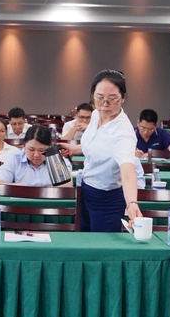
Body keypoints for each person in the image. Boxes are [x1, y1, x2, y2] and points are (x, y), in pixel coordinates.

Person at [58, 70, 142, 232]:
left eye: (112, 99)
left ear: (123, 98)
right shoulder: (96, 114)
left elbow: (127, 172)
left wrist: (132, 203)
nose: (105, 104)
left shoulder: (123, 133)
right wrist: (76, 149)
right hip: (85, 190)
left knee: (102, 245)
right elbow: (99, 145)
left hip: (107, 199)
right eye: (99, 98)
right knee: (84, 240)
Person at [0, 125, 71, 186]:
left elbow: (67, 185)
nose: (36, 155)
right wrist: (19, 188)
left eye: (42, 150)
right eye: (31, 149)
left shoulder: (58, 158)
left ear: (49, 147)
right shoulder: (14, 159)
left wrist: (36, 192)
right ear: (24, 146)